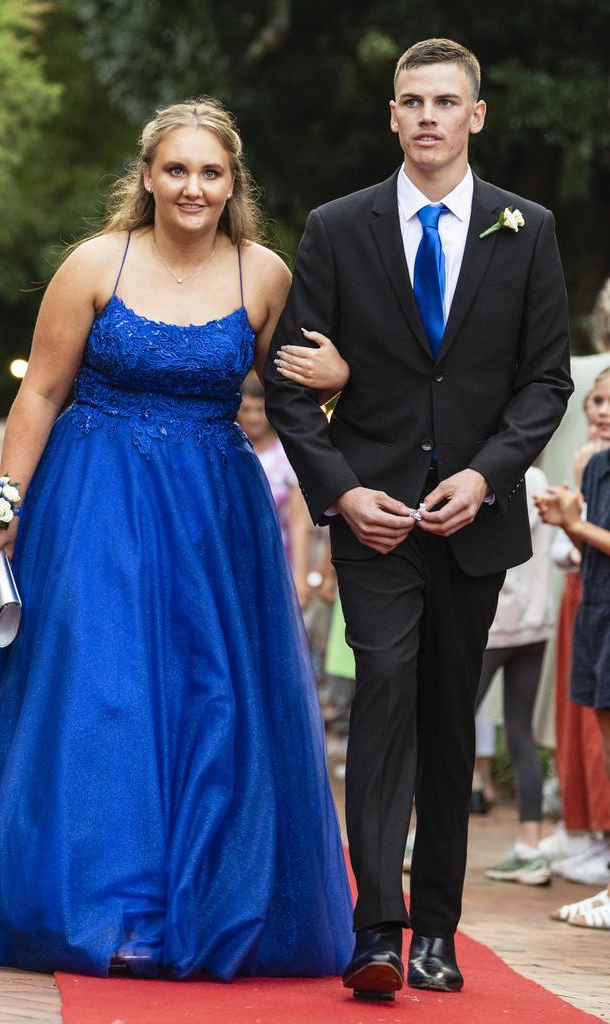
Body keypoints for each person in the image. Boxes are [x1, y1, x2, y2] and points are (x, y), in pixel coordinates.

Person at [0, 99, 355, 980]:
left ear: (234, 182)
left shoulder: (266, 275)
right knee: (103, 692)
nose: (193, 186)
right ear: (147, 177)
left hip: (214, 517)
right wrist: (1, 506)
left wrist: (339, 380)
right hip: (92, 502)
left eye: (211, 172)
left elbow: (293, 407)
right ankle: (106, 906)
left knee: (212, 702)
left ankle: (200, 903)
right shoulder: (96, 262)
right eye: (176, 170)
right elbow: (41, 393)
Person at [264, 38, 572, 1000]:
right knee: (386, 695)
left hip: (475, 521)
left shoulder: (530, 228)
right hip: (375, 519)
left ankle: (437, 928)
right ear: (392, 116)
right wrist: (345, 491)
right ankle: (376, 932)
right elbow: (286, 387)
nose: (429, 116)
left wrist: (487, 475)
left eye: (447, 101)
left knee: (448, 717)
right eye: (412, 101)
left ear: (476, 115)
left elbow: (545, 381)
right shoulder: (336, 228)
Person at [539, 374, 610, 885]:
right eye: (597, 400)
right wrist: (569, 524)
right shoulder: (596, 462)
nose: (603, 410)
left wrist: (575, 525)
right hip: (594, 606)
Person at [477, 466, 554, 886]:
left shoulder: (501, 477)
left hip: (495, 627)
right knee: (521, 732)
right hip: (536, 625)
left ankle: (421, 836)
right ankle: (530, 845)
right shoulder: (541, 478)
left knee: (447, 725)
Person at [237, 372, 310, 603]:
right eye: (247, 410)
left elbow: (298, 521)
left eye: (260, 410)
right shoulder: (230, 451)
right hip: (235, 555)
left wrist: (301, 574)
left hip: (276, 557)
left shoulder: (285, 456)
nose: (254, 417)